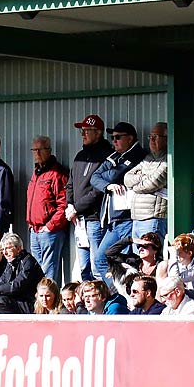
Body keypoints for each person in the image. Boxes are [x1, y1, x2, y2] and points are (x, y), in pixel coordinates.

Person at [88, 123, 143, 278]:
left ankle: (126, 297)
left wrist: (108, 177)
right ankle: (117, 296)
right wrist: (109, 185)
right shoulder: (115, 156)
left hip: (127, 218)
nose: (114, 141)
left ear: (130, 138)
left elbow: (113, 175)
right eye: (112, 138)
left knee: (125, 262)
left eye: (118, 137)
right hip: (114, 221)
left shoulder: (137, 154)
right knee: (100, 259)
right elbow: (94, 177)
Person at [67, 115, 113, 280]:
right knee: (84, 268)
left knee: (97, 267)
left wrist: (76, 208)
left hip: (95, 219)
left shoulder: (106, 155)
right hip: (79, 219)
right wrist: (69, 206)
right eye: (82, 130)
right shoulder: (80, 155)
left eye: (87, 130)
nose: (83, 134)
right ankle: (88, 304)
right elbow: (70, 183)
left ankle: (102, 303)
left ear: (98, 132)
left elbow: (99, 190)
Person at [25, 136, 70, 284]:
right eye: (34, 150)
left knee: (49, 274)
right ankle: (40, 306)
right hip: (35, 230)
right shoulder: (37, 172)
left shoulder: (57, 173)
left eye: (40, 149)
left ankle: (51, 306)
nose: (36, 153)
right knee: (37, 273)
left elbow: (63, 204)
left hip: (50, 232)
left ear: (49, 151)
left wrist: (50, 226)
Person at [123, 123, 170, 243]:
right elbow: (127, 178)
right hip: (136, 217)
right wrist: (143, 177)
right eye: (151, 137)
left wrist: (136, 187)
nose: (152, 140)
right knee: (138, 259)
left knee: (151, 256)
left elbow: (152, 184)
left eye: (156, 137)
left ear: (166, 139)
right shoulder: (148, 158)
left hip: (153, 218)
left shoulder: (168, 160)